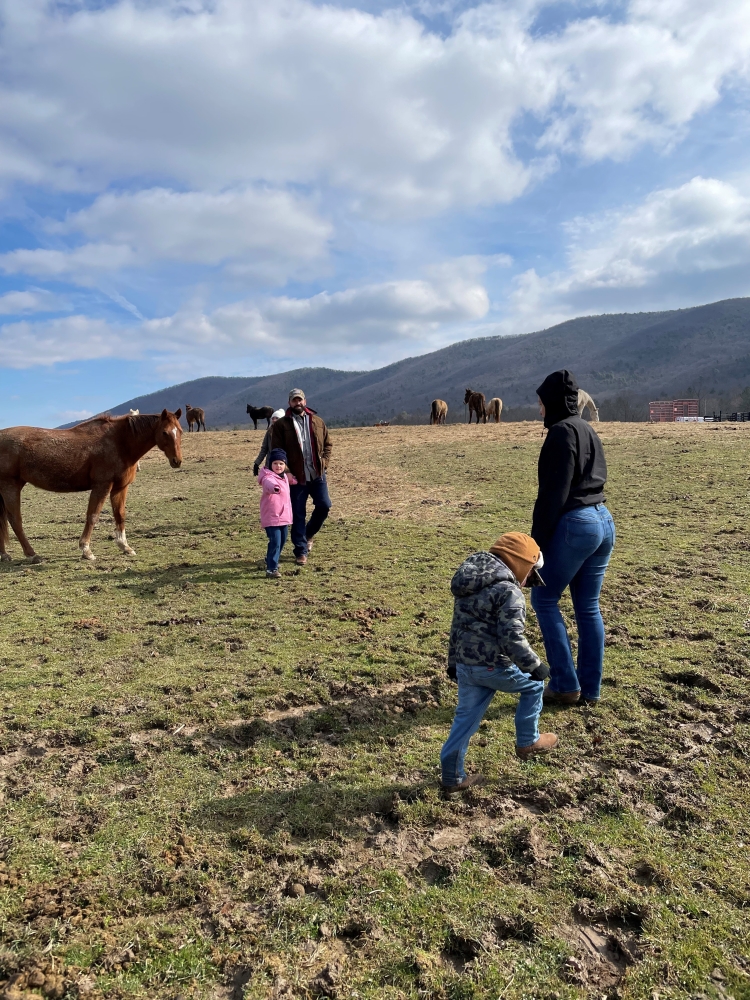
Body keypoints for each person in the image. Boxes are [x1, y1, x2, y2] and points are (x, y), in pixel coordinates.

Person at [440, 532, 558, 794]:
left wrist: (453, 662)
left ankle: (453, 777)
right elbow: (511, 636)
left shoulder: (469, 584)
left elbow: (457, 627)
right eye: (530, 571)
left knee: (465, 720)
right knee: (534, 687)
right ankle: (528, 741)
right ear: (520, 563)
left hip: (466, 666)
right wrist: (533, 666)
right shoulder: (509, 591)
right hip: (493, 666)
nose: (528, 580)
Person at [530, 370, 615, 706]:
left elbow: (552, 495)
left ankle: (565, 684)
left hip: (576, 524)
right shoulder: (587, 429)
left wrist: (535, 545)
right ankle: (590, 690)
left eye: (540, 403)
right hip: (604, 520)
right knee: (588, 607)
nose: (539, 411)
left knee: (544, 600)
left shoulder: (560, 433)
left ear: (551, 403)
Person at [271, 388, 332, 566]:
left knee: (324, 505)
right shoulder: (281, 425)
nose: (297, 403)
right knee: (298, 513)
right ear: (289, 403)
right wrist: (286, 471)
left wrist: (324, 462)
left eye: (300, 400)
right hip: (296, 477)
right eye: (294, 400)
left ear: (305, 401)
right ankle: (300, 550)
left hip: (317, 473)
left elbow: (328, 444)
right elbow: (277, 451)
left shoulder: (318, 422)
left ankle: (308, 534)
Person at [258, 448, 296, 579]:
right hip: (272, 516)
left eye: (281, 463)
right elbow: (269, 483)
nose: (278, 466)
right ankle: (271, 569)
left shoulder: (284, 476)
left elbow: (288, 480)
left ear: (285, 465)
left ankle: (271, 559)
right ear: (270, 464)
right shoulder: (268, 477)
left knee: (283, 539)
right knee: (275, 541)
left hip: (284, 515)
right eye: (275, 463)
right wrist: (274, 488)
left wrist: (294, 480)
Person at [253, 409, 286, 476]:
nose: (274, 420)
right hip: (270, 465)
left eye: (277, 418)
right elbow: (264, 449)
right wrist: (257, 463)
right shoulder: (269, 432)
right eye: (273, 418)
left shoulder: (288, 433)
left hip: (284, 466)